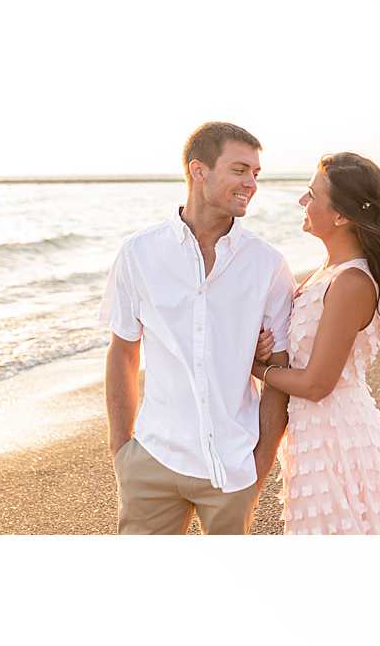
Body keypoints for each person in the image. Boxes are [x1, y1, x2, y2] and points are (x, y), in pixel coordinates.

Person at [99, 120, 295, 533]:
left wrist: (259, 466)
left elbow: (279, 372)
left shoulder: (268, 265)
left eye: (255, 173)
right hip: (153, 458)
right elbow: (123, 351)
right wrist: (122, 450)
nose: (251, 184)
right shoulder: (138, 253)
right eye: (239, 170)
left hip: (233, 466)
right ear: (198, 170)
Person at [251, 154, 380, 534]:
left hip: (338, 441)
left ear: (340, 216)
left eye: (311, 194)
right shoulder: (327, 272)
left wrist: (253, 367)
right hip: (314, 437)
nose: (301, 201)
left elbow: (316, 384)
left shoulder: (351, 282)